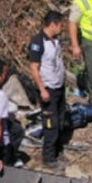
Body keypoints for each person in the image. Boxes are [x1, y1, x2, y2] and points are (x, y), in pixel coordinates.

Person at [28, 11, 71, 170]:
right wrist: (42, 89)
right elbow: (34, 68)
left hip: (59, 86)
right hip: (48, 89)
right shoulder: (38, 42)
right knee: (51, 124)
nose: (62, 28)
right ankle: (48, 158)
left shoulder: (56, 40)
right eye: (60, 25)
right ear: (52, 24)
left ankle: (57, 151)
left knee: (60, 121)